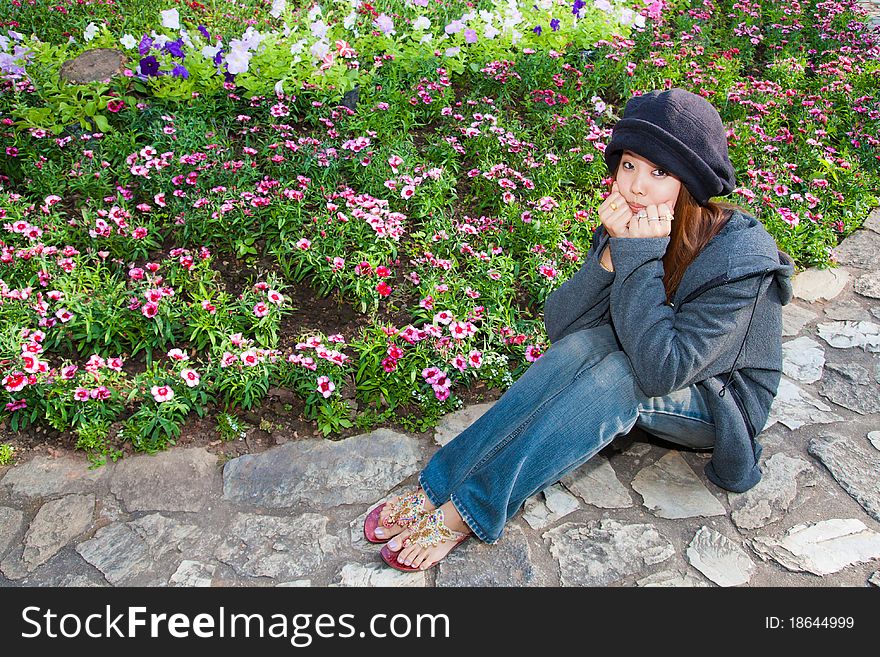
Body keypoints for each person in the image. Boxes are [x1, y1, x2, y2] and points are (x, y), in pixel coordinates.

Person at [362, 88, 795, 572]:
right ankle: (439, 485)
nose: (636, 186)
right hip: (650, 350)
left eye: (659, 173)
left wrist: (640, 255)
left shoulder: (742, 258)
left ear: (689, 185)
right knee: (587, 346)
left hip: (716, 400)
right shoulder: (632, 224)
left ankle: (471, 509)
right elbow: (564, 328)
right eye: (629, 165)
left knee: (618, 380)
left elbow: (662, 371)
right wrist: (611, 255)